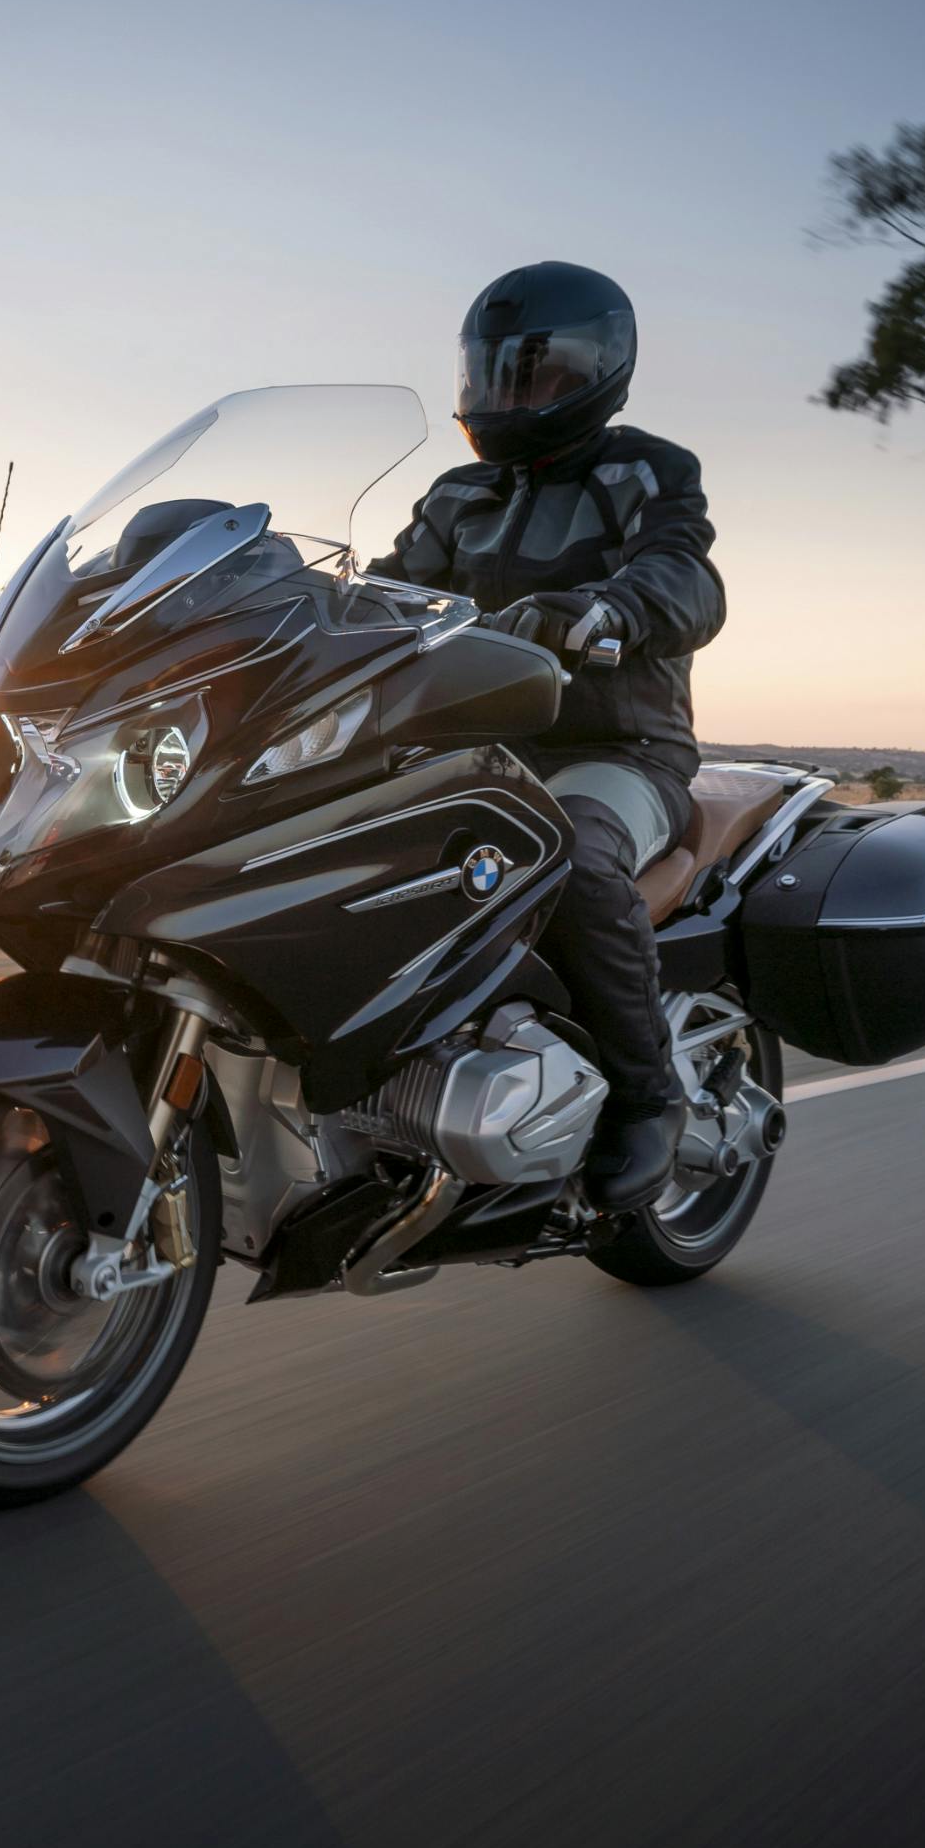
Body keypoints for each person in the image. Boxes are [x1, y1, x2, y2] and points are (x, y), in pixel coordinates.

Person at [385, 261, 726, 1210]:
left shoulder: (648, 471)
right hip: (476, 759)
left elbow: (687, 578)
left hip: (619, 755)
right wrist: (287, 596)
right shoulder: (458, 495)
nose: (508, 392)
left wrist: (605, 610)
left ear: (594, 371)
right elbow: (384, 589)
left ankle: (648, 1097)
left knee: (566, 856)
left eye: (532, 371)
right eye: (493, 370)